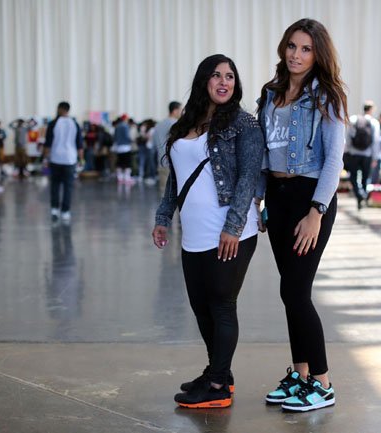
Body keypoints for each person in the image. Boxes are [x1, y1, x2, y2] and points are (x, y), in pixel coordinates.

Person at [152, 54, 263, 409]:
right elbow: (176, 179)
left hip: (231, 230)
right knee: (201, 307)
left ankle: (217, 385)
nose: (224, 82)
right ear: (204, 80)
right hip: (193, 231)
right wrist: (163, 216)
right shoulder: (186, 122)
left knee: (221, 304)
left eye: (230, 76)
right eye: (216, 75)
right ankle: (219, 372)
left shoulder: (243, 123)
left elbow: (248, 176)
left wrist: (233, 226)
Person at [256, 18, 346, 412]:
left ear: (318, 54)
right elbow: (263, 152)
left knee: (296, 291)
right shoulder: (271, 92)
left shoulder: (327, 96)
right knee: (289, 291)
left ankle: (322, 383)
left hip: (309, 198)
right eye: (292, 46)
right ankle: (300, 375)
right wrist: (260, 199)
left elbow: (334, 160)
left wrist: (316, 211)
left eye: (306, 49)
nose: (296, 54)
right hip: (277, 197)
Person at [43, 101, 83, 222]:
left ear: (60, 109)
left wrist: (45, 158)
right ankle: (65, 211)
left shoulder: (53, 123)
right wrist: (81, 159)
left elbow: (48, 144)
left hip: (56, 159)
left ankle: (55, 209)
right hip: (70, 159)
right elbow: (79, 145)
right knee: (68, 186)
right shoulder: (75, 124)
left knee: (55, 185)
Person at [347, 100, 380, 209]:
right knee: (366, 177)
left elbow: (348, 136)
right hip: (367, 154)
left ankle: (359, 195)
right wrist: (375, 157)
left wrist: (347, 150)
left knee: (353, 176)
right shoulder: (374, 122)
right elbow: (375, 141)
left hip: (353, 153)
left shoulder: (353, 119)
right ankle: (363, 196)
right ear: (372, 110)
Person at [152, 101, 182, 192]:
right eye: (180, 110)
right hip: (174, 162)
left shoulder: (158, 125)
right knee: (175, 192)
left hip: (161, 160)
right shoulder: (176, 124)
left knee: (164, 191)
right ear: (175, 111)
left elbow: (154, 143)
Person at [113, 115, 134, 184]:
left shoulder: (117, 126)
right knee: (127, 163)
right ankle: (127, 178)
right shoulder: (125, 126)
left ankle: (120, 177)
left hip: (118, 147)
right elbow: (127, 136)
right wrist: (132, 141)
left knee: (119, 162)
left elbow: (115, 137)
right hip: (126, 147)